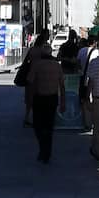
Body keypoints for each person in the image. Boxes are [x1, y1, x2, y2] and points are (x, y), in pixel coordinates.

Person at [26, 32, 66, 163]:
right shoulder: (57, 66)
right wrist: (63, 101)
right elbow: (62, 85)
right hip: (52, 99)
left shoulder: (37, 65)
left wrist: (30, 100)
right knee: (49, 127)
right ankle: (46, 151)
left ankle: (43, 149)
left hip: (40, 98)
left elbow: (31, 83)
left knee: (38, 126)